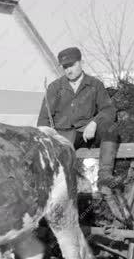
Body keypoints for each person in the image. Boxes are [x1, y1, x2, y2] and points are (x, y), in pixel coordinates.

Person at [37, 46, 119, 191]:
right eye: (65, 67)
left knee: (111, 128)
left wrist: (94, 122)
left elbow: (109, 109)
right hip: (63, 135)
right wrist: (47, 139)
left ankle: (105, 176)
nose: (69, 70)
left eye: (72, 65)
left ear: (81, 62)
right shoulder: (55, 88)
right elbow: (43, 119)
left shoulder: (95, 85)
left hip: (87, 132)